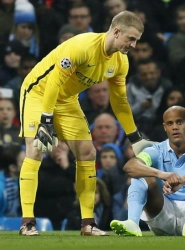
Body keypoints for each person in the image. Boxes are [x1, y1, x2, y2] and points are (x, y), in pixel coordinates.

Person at [18, 10, 154, 236]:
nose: (134, 44)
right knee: (35, 149)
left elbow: (119, 101)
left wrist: (135, 137)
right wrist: (46, 121)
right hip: (38, 93)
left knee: (87, 152)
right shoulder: (82, 46)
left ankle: (88, 224)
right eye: (131, 38)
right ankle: (27, 222)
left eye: (137, 40)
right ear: (117, 31)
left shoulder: (120, 62)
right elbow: (53, 82)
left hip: (67, 100)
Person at [110, 106, 185, 237]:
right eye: (170, 123)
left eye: (179, 122)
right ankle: (132, 223)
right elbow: (130, 166)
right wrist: (162, 174)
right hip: (165, 215)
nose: (174, 127)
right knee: (141, 174)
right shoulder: (157, 150)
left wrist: (183, 180)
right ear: (165, 127)